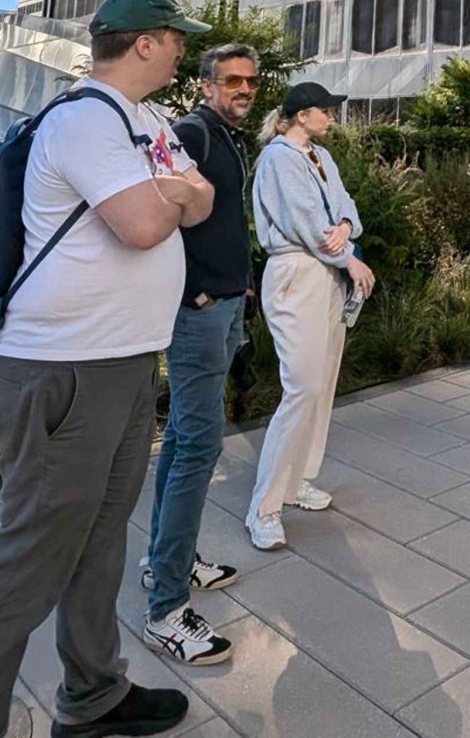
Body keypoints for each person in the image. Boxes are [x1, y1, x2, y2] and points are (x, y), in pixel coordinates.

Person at [0, 0, 214, 738]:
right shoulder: (86, 118)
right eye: (176, 37)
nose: (184, 49)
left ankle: (94, 695)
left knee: (101, 538)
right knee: (25, 563)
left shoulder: (150, 122)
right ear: (145, 43)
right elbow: (146, 223)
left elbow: (204, 196)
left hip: (125, 365)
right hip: (63, 372)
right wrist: (175, 192)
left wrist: (180, 191)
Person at [138, 44, 262, 667]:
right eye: (232, 79)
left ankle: (172, 559)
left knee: (187, 438)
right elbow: (159, 215)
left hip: (226, 303)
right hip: (200, 312)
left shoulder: (229, 138)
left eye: (251, 81)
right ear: (207, 83)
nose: (244, 88)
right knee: (197, 448)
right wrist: (195, 289)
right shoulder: (191, 132)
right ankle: (164, 609)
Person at [244, 81, 375, 550]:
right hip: (296, 274)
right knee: (303, 387)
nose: (332, 117)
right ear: (301, 115)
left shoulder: (322, 157)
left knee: (322, 384)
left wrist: (344, 230)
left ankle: (299, 479)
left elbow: (348, 212)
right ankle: (265, 507)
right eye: (325, 110)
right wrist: (350, 257)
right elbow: (303, 222)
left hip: (327, 275)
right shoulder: (279, 158)